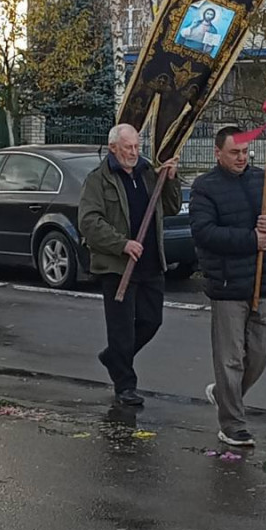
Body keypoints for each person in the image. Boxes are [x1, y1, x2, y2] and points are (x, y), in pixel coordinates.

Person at [190, 124, 266, 447]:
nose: (241, 158)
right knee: (230, 357)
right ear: (217, 153)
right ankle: (232, 423)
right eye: (234, 153)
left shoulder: (260, 180)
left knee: (263, 352)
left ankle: (224, 393)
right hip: (227, 283)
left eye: (245, 152)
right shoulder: (204, 188)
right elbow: (204, 233)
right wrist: (251, 239)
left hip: (262, 283)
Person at [78, 123, 182, 406]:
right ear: (113, 148)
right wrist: (122, 244)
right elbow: (89, 222)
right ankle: (125, 384)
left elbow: (171, 207)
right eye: (128, 148)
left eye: (137, 147)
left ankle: (114, 357)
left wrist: (171, 179)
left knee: (151, 320)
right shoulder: (98, 180)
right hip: (117, 267)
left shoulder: (148, 173)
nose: (134, 153)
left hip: (150, 262)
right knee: (121, 328)